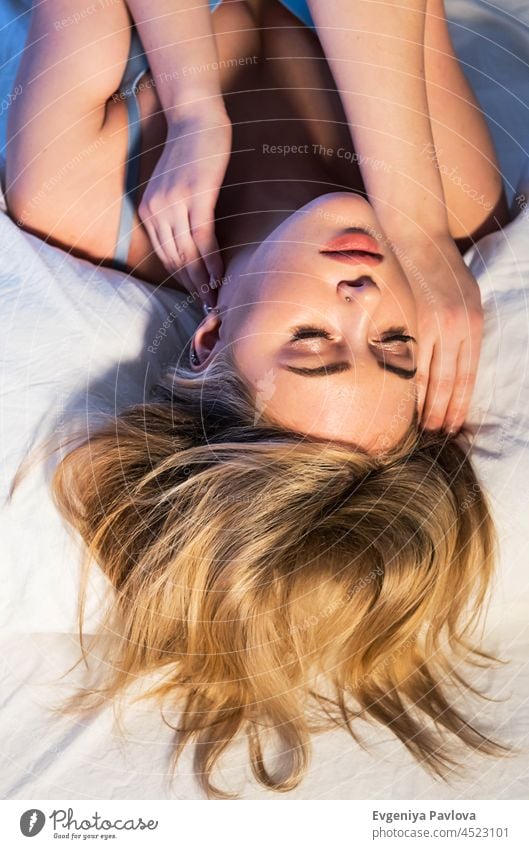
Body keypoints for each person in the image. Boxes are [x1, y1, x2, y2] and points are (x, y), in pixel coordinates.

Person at [5, 0, 511, 797]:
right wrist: (416, 223)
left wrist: (195, 102)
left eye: (312, 341)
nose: (362, 294)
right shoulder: (444, 208)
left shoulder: (79, 195)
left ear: (207, 346)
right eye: (394, 345)